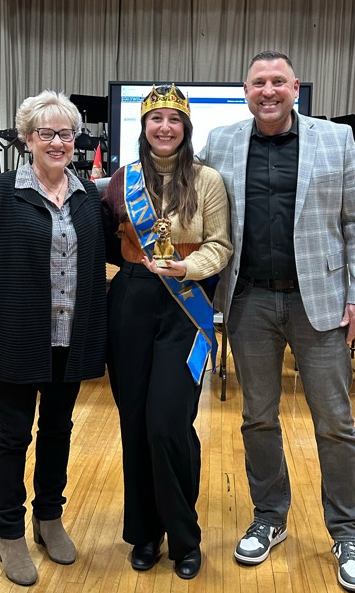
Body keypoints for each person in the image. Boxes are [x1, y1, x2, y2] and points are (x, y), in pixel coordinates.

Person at [198, 52, 355, 593]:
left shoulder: (334, 140)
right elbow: (194, 202)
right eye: (259, 82)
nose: (269, 90)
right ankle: (270, 517)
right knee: (257, 418)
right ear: (245, 90)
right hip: (250, 302)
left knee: (335, 421)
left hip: (319, 302)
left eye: (279, 81)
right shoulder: (223, 142)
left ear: (295, 87)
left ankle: (348, 532)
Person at [0, 90, 107, 587]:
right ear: (28, 139)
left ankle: (48, 518)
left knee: (58, 430)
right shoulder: (2, 193)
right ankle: (9, 532)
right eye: (46, 133)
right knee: (14, 434)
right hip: (19, 337)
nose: (57, 142)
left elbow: (97, 269)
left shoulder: (88, 196)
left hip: (70, 338)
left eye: (65, 134)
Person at [102, 83, 232, 580]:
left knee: (167, 425)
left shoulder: (208, 181)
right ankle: (145, 533)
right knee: (134, 424)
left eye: (173, 119)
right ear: (144, 126)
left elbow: (221, 246)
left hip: (185, 308)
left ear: (186, 127)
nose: (164, 127)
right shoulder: (121, 181)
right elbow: (110, 247)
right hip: (132, 304)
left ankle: (184, 535)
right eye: (155, 118)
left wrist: (188, 268)